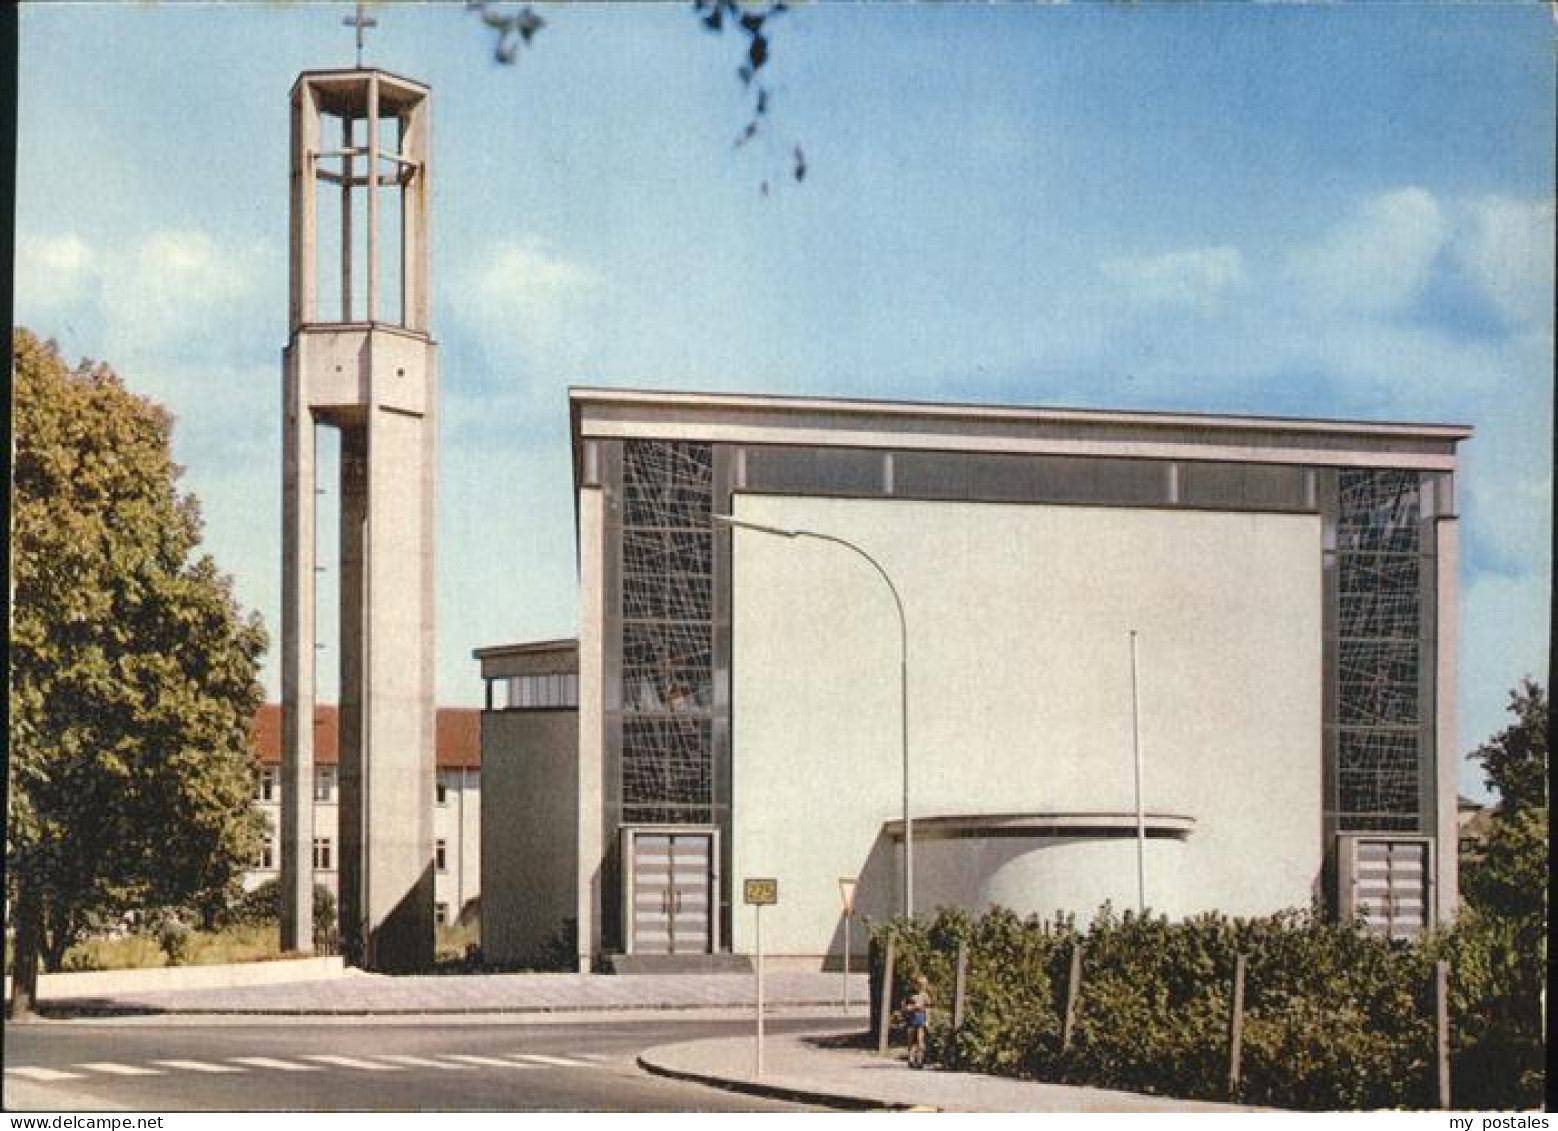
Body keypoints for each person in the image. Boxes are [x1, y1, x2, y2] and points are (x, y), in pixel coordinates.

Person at [901, 974, 932, 1069]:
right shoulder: (910, 995)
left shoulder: (925, 996)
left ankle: (920, 1060)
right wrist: (909, 1008)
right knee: (910, 1040)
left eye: (922, 985)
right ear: (914, 985)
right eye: (918, 985)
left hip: (921, 1018)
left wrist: (927, 1020)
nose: (920, 987)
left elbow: (928, 1008)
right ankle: (910, 1059)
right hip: (911, 1019)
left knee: (920, 1040)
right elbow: (904, 1007)